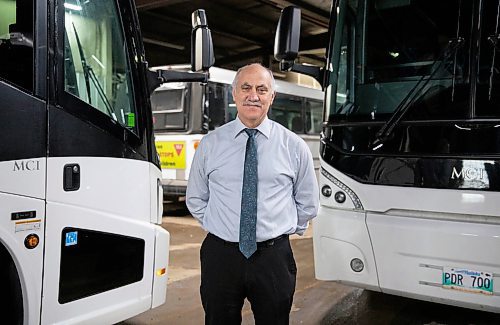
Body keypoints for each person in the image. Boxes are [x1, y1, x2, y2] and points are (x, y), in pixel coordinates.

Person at [186, 63, 319, 324]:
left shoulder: (293, 146)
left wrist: (281, 231)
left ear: (272, 97)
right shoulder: (211, 145)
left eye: (261, 89)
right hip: (220, 256)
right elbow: (196, 198)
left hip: (273, 258)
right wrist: (222, 225)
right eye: (246, 88)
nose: (253, 95)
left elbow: (307, 202)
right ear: (234, 94)